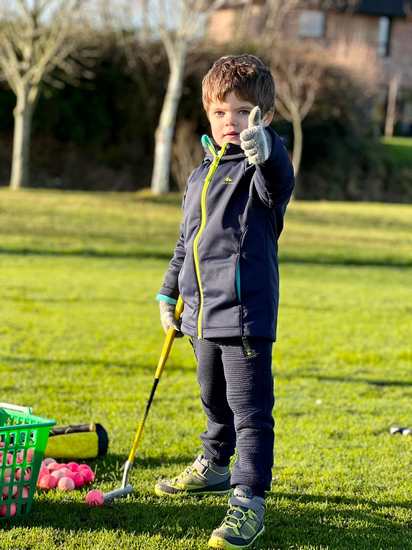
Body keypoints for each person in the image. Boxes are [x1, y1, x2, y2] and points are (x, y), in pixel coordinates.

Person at [155, 54, 295, 549]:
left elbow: (279, 179)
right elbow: (185, 241)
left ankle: (248, 501)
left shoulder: (261, 173)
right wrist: (169, 290)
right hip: (198, 315)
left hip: (244, 315)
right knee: (214, 401)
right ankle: (215, 463)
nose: (231, 122)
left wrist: (269, 152)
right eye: (220, 112)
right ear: (208, 114)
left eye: (243, 111)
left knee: (250, 411)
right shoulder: (199, 175)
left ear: (265, 116)